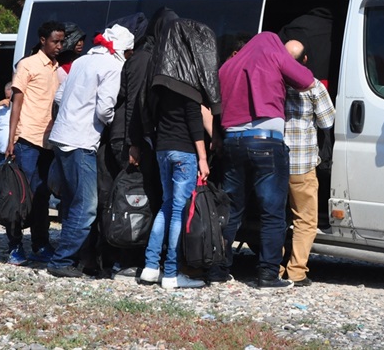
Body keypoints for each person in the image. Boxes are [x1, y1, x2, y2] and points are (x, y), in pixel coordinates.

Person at [212, 32, 314, 289]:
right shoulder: (272, 49)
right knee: (272, 212)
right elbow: (305, 80)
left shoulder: (228, 65)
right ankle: (267, 275)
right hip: (265, 140)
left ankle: (218, 270)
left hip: (232, 140)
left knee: (231, 210)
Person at [46, 24, 135, 278]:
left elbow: (60, 96)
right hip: (81, 141)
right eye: (128, 52)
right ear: (122, 49)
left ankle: (67, 257)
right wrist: (112, 125)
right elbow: (105, 109)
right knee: (86, 206)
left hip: (62, 137)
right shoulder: (113, 66)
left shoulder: (83, 61)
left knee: (73, 202)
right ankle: (62, 260)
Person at [138, 18, 221, 289]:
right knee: (177, 211)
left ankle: (151, 267)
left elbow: (147, 113)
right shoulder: (189, 84)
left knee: (165, 205)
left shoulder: (159, 80)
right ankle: (171, 273)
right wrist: (203, 158)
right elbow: (195, 124)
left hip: (162, 149)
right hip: (184, 152)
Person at [5, 21, 66, 266]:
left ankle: (41, 244)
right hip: (27, 140)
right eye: (55, 41)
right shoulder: (27, 65)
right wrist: (11, 139)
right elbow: (16, 104)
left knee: (42, 195)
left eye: (62, 42)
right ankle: (14, 245)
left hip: (48, 142)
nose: (59, 46)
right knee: (22, 196)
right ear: (43, 40)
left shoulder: (57, 69)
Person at [281, 42, 335, 287]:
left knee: (277, 218)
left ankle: (276, 266)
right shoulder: (313, 86)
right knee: (305, 220)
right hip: (301, 164)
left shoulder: (274, 82)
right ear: (305, 60)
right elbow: (327, 121)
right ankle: (296, 272)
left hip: (276, 161)